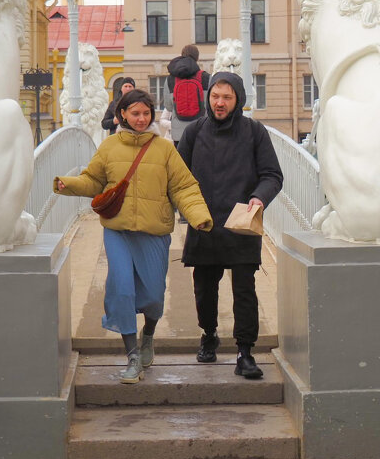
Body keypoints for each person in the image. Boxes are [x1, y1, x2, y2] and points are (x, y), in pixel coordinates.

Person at [55, 88, 213, 384]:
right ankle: (132, 356)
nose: (141, 119)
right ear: (122, 115)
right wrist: (69, 184)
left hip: (154, 232)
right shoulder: (109, 147)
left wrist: (198, 216)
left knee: (153, 297)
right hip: (118, 230)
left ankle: (148, 336)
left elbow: (184, 187)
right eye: (135, 113)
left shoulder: (164, 149)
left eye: (146, 113)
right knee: (122, 290)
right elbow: (93, 180)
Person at [177, 72, 283, 380]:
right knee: (205, 289)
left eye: (227, 97)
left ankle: (245, 352)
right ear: (207, 97)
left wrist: (259, 198)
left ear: (238, 100)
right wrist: (188, 209)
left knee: (244, 291)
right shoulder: (195, 132)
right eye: (215, 96)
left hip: (241, 224)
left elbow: (272, 175)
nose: (219, 103)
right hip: (205, 222)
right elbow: (179, 178)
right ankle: (208, 335)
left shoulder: (254, 132)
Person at [167, 45, 210, 145]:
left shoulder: (171, 79)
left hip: (178, 133)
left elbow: (168, 106)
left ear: (182, 55)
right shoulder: (206, 77)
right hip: (201, 130)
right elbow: (210, 104)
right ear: (197, 58)